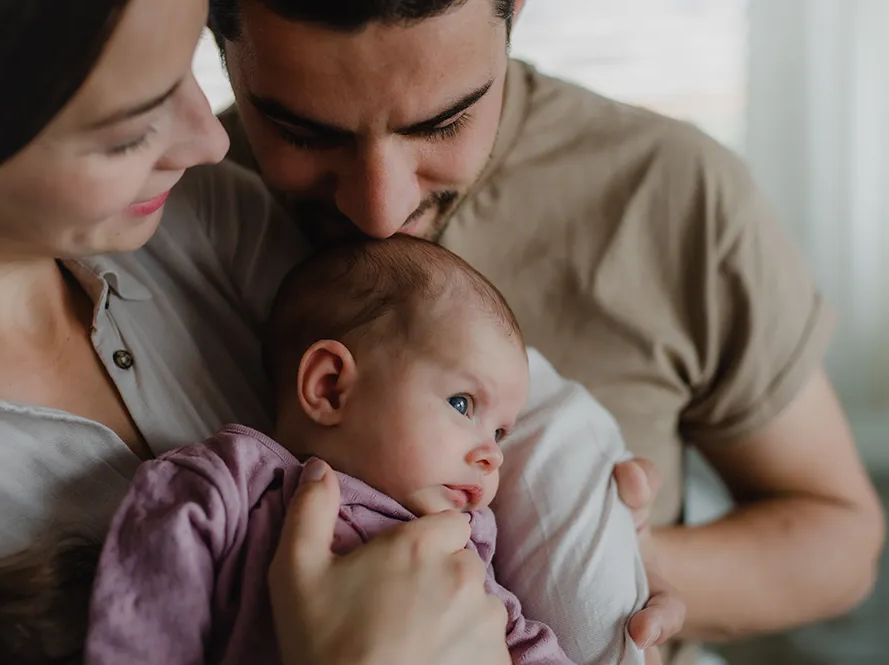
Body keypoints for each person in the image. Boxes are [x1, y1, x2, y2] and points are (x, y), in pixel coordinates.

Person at [0, 1, 677, 664]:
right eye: (129, 127)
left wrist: (607, 602)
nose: (209, 140)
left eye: (187, 72)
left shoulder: (205, 218)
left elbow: (510, 401)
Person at [209, 0, 886, 662]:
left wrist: (610, 561)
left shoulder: (671, 190)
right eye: (303, 133)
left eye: (442, 123)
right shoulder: (163, 208)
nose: (381, 210)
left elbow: (840, 535)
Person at [85, 235, 607, 665]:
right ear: (331, 386)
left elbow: (520, 637)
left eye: (500, 433)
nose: (491, 455)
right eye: (462, 402)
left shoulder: (464, 541)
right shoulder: (229, 485)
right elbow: (142, 621)